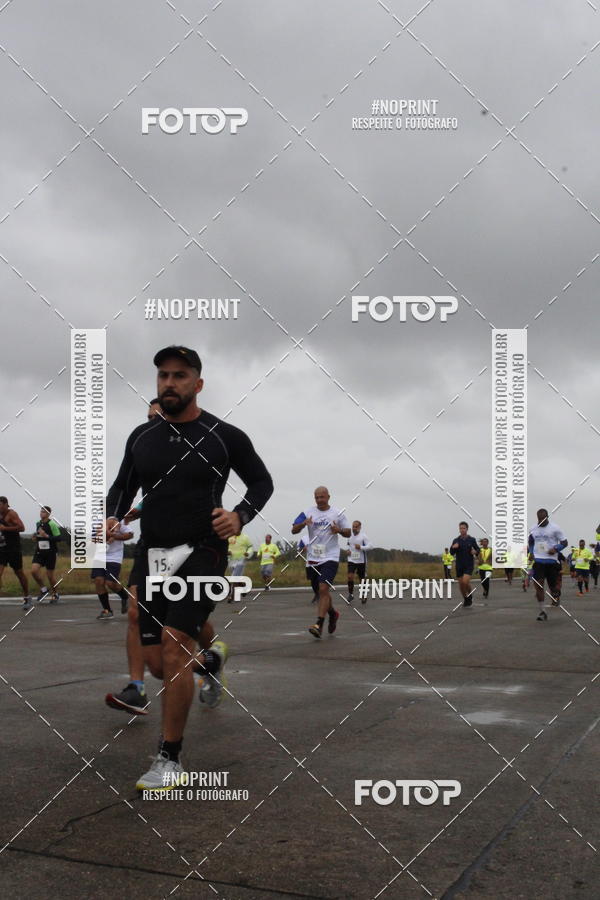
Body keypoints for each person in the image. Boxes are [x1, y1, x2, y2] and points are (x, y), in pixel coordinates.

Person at [105, 345, 273, 790]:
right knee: (159, 664)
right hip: (153, 553)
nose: (169, 383)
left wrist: (240, 515)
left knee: (175, 642)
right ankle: (212, 661)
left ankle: (170, 758)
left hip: (204, 549)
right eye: (162, 375)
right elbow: (122, 487)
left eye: (180, 376)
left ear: (197, 384)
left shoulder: (222, 435)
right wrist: (112, 515)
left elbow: (261, 481)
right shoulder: (142, 438)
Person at [292, 486, 350, 638]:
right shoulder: (307, 512)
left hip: (330, 556)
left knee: (324, 589)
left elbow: (348, 532)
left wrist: (339, 530)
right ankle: (333, 614)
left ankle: (319, 624)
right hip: (313, 557)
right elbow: (294, 530)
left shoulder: (337, 513)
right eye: (316, 497)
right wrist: (303, 523)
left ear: (328, 497)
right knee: (319, 592)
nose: (319, 500)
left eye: (322, 497)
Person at [528, 508, 568, 621]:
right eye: (539, 519)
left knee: (553, 588)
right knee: (539, 585)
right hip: (539, 560)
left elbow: (565, 542)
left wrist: (555, 549)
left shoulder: (555, 528)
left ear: (547, 517)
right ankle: (542, 611)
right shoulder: (533, 528)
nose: (541, 521)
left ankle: (556, 592)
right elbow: (531, 541)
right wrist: (531, 552)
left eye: (543, 518)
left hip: (551, 562)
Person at [91, 517, 134, 619]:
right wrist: (103, 537)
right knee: (98, 581)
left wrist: (114, 536)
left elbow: (130, 535)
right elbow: (92, 538)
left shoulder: (121, 522)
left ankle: (124, 597)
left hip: (114, 557)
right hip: (99, 556)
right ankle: (107, 611)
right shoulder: (97, 522)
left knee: (110, 583)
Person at [0, 497, 33, 610]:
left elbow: (22, 528)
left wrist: (5, 528)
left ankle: (27, 596)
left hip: (13, 548)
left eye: (0, 505)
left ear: (5, 504)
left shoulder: (12, 514)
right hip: (2, 548)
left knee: (19, 573)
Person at [31, 505, 61, 603]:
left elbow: (58, 538)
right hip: (39, 551)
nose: (41, 513)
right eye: (40, 511)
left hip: (50, 552)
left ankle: (55, 593)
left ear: (48, 514)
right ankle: (44, 590)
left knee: (50, 576)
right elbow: (39, 536)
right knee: (34, 571)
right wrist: (35, 537)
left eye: (43, 512)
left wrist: (46, 535)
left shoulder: (52, 524)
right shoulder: (38, 523)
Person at [449, 521, 479, 607]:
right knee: (461, 584)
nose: (462, 530)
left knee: (465, 581)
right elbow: (451, 553)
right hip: (459, 565)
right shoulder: (456, 540)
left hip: (469, 564)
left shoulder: (472, 539)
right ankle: (466, 598)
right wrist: (453, 547)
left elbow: (477, 550)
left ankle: (470, 595)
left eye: (463, 528)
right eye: (460, 528)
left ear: (467, 529)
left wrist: (475, 551)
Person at [346, 520, 373, 604]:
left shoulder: (363, 536)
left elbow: (371, 546)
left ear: (360, 528)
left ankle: (364, 595)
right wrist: (348, 551)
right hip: (352, 560)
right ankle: (351, 594)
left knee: (362, 579)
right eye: (353, 526)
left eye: (356, 527)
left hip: (361, 561)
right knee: (350, 576)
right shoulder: (350, 536)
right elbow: (349, 546)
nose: (354, 528)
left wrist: (361, 547)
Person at [226, 532, 254, 602]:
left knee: (234, 578)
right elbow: (227, 547)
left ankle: (231, 597)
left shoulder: (245, 537)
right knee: (236, 579)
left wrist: (248, 553)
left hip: (241, 560)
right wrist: (227, 552)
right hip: (231, 560)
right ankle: (243, 587)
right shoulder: (230, 537)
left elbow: (250, 547)